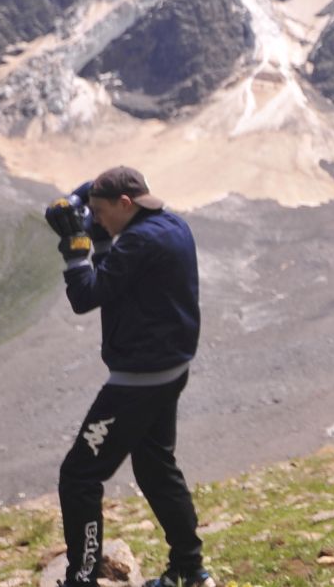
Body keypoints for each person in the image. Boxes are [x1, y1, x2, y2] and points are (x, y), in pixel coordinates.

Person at [43, 167, 211, 587]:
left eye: (100, 212)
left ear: (125, 204)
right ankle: (190, 572)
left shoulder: (140, 240)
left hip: (139, 382)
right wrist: (96, 230)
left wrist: (75, 246)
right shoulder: (169, 226)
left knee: (79, 477)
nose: (95, 219)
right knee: (156, 468)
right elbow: (116, 278)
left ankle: (82, 579)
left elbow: (86, 295)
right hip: (168, 369)